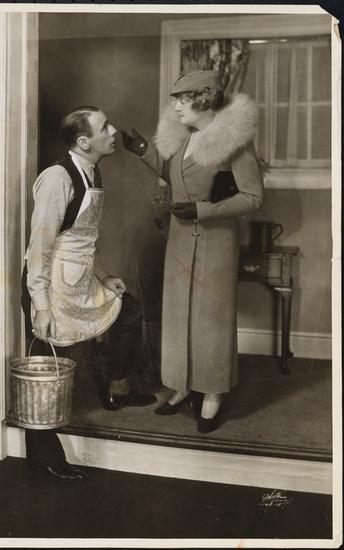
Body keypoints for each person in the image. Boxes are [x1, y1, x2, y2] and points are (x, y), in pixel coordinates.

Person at [122, 70, 264, 433]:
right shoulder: (186, 136)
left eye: (182, 100)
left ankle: (212, 393)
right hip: (181, 241)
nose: (176, 108)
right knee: (178, 316)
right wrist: (143, 150)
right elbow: (176, 175)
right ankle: (183, 386)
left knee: (212, 322)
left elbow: (252, 197)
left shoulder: (235, 142)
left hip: (216, 243)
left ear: (204, 99)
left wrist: (202, 210)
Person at [21, 106, 156, 481]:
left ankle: (118, 386)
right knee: (48, 368)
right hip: (52, 282)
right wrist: (41, 305)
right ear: (84, 142)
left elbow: (84, 236)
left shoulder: (93, 171)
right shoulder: (57, 178)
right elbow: (40, 247)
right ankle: (44, 457)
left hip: (81, 275)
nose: (114, 132)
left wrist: (104, 275)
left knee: (128, 311)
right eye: (104, 127)